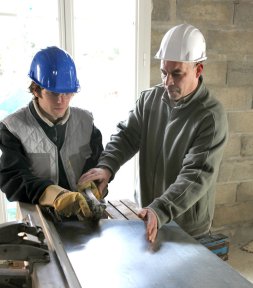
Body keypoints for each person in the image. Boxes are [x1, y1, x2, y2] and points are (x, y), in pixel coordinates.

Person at [79, 24, 228, 242]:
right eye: (164, 72)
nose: (168, 82)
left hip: (187, 226)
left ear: (198, 70)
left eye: (177, 74)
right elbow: (126, 136)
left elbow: (195, 175)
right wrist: (107, 166)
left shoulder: (210, 117)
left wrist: (161, 209)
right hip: (147, 213)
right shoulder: (149, 99)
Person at [0, 46, 103, 219]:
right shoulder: (13, 127)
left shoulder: (86, 122)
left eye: (68, 93)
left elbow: (98, 162)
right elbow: (14, 177)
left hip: (83, 218)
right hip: (38, 221)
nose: (62, 100)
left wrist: (93, 185)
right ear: (36, 90)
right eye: (54, 93)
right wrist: (57, 196)